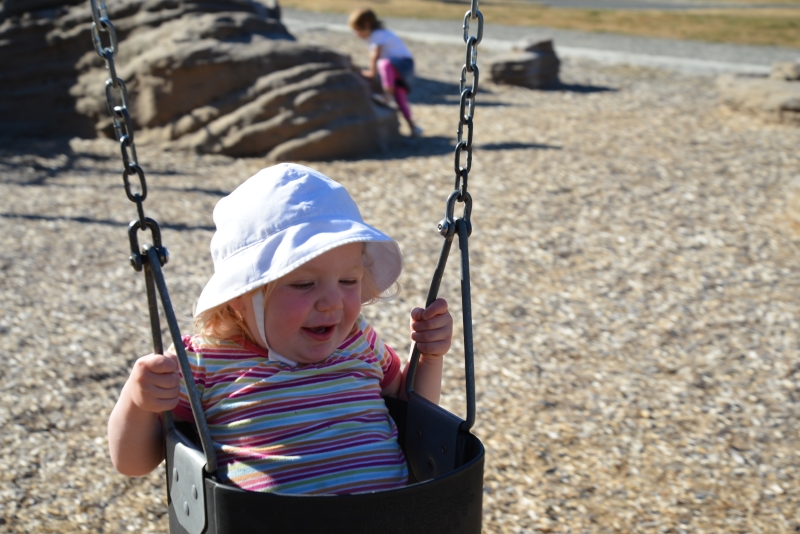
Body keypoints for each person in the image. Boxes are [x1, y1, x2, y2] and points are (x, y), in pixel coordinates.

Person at [107, 163, 453, 495]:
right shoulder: (203, 362)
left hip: (390, 518)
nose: (332, 302)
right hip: (270, 522)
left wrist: (428, 357)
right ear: (241, 296)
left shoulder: (358, 341)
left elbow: (414, 416)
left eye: (348, 281)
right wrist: (138, 402)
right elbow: (133, 462)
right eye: (304, 284)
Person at [349, 8, 423, 138]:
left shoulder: (377, 34)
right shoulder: (378, 35)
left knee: (383, 63)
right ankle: (413, 127)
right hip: (397, 70)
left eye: (357, 30)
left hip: (402, 65)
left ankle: (387, 96)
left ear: (366, 25)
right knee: (400, 99)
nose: (356, 34)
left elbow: (375, 56)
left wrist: (371, 73)